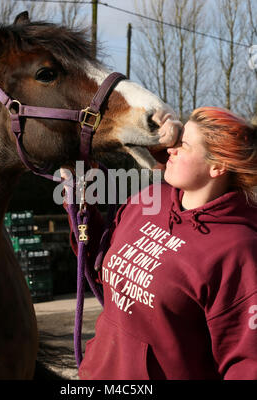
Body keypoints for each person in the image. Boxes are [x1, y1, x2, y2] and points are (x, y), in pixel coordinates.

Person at [63, 106, 257, 380]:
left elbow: (246, 364)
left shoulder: (238, 249)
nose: (171, 151)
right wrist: (81, 206)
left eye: (184, 146)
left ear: (218, 166)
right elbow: (100, 263)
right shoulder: (148, 201)